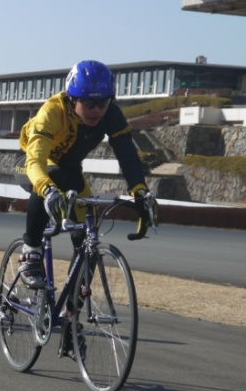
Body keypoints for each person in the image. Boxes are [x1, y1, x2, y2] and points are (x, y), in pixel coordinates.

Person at [18, 60, 157, 290]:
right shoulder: (53, 111)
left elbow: (128, 156)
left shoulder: (111, 114)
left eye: (103, 101)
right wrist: (46, 188)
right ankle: (31, 250)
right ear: (72, 98)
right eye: (89, 101)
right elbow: (35, 161)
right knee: (54, 178)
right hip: (32, 165)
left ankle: (71, 311)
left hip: (71, 170)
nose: (96, 109)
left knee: (89, 241)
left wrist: (140, 191)